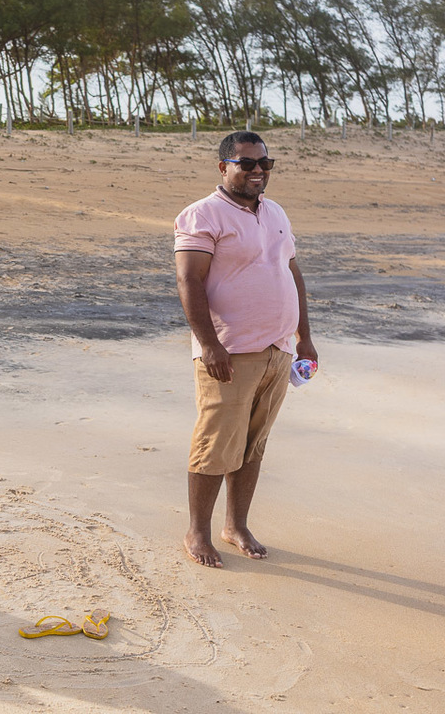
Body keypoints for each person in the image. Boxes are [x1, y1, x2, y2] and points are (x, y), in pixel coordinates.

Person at [173, 131, 317, 568]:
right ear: (224, 167)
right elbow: (189, 282)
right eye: (246, 163)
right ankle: (197, 532)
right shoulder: (202, 215)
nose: (257, 171)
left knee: (253, 445)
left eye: (264, 164)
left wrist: (303, 337)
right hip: (229, 353)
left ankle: (236, 525)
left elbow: (292, 274)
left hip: (278, 351)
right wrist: (210, 344)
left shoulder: (275, 213)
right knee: (215, 444)